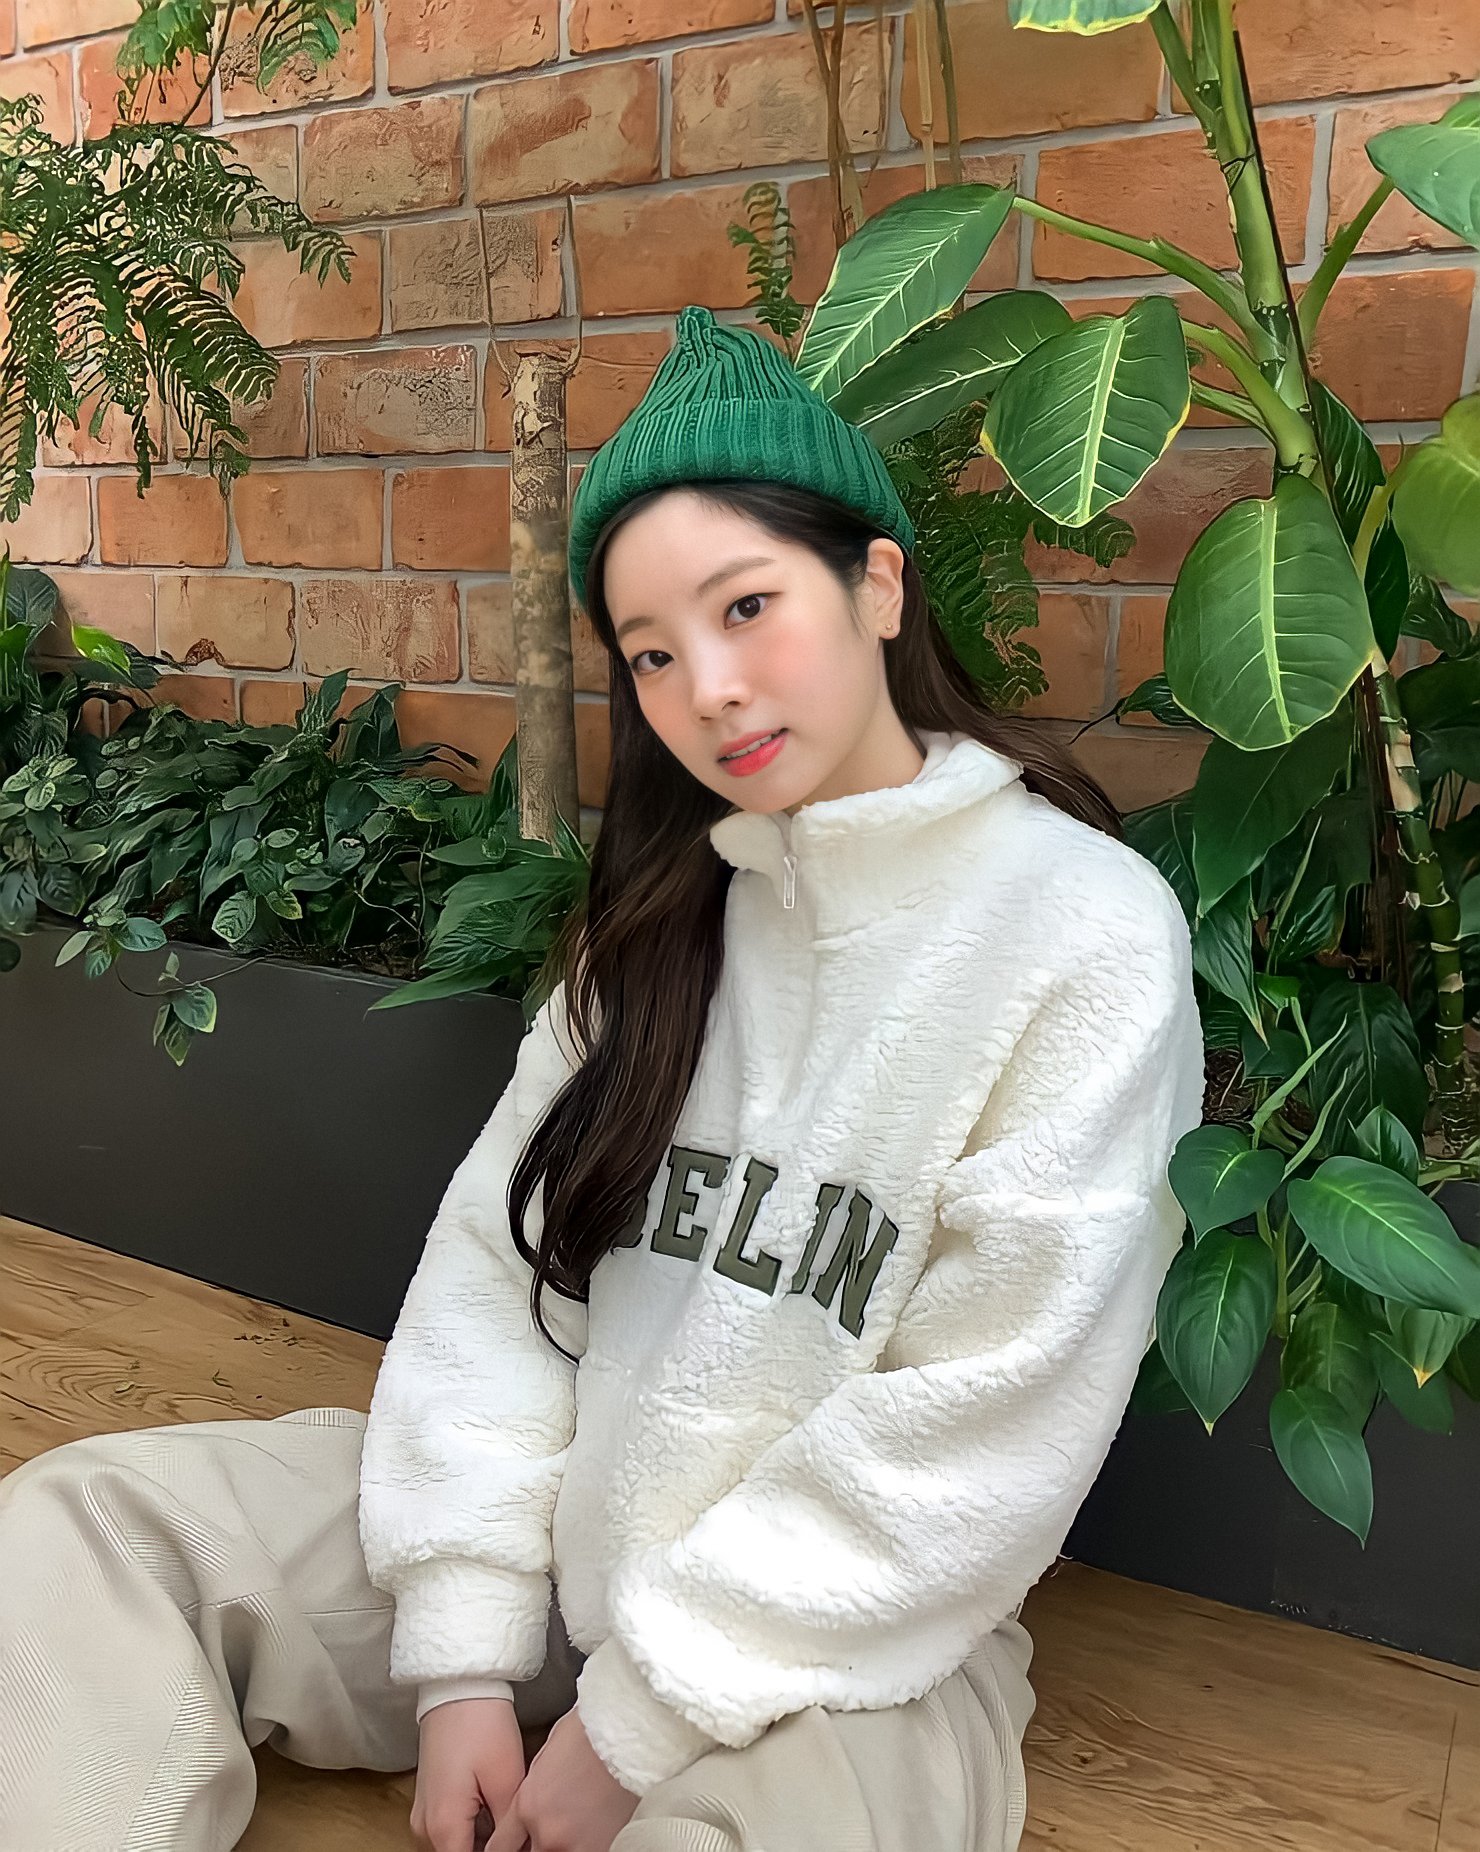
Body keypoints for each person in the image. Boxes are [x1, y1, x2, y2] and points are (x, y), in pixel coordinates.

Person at [0, 304, 1207, 1852]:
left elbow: (981, 1429)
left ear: (879, 584)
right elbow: (497, 1276)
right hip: (565, 1529)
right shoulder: (658, 921)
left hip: (835, 1646)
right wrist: (460, 1657)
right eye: (652, 652)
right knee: (86, 1528)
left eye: (748, 606)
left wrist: (632, 1727)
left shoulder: (1084, 931)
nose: (710, 687)